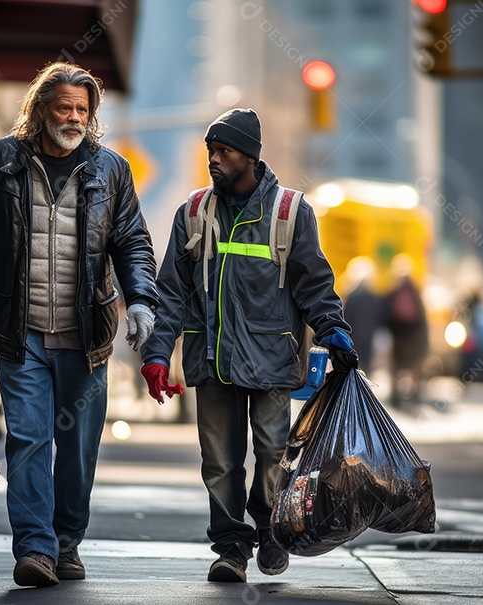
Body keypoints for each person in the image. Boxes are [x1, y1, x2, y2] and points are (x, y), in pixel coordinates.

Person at [0, 62, 159, 588]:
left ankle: (66, 542)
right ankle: (36, 548)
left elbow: (131, 240)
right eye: (64, 107)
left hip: (86, 338)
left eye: (82, 110)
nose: (74, 118)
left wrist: (140, 300)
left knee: (78, 450)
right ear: (40, 109)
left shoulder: (111, 169)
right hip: (20, 334)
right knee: (28, 440)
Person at [139, 108, 357, 583]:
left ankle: (271, 529)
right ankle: (232, 548)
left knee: (273, 452)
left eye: (224, 151)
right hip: (211, 361)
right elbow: (171, 292)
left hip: (270, 361)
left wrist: (332, 329)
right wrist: (157, 353)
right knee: (219, 462)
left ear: (251, 157)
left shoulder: (290, 213)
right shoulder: (193, 213)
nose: (214, 160)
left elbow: (313, 285)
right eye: (210, 151)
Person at [383, 261, 428, 407]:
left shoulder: (393, 292)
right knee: (415, 366)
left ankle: (395, 395)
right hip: (413, 335)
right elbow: (422, 318)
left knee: (396, 367)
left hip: (398, 335)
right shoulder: (415, 292)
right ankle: (415, 395)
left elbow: (385, 315)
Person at [341, 256, 383, 374]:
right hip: (369, 338)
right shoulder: (375, 298)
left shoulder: (351, 297)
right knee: (366, 370)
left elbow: (345, 318)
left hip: (353, 338)